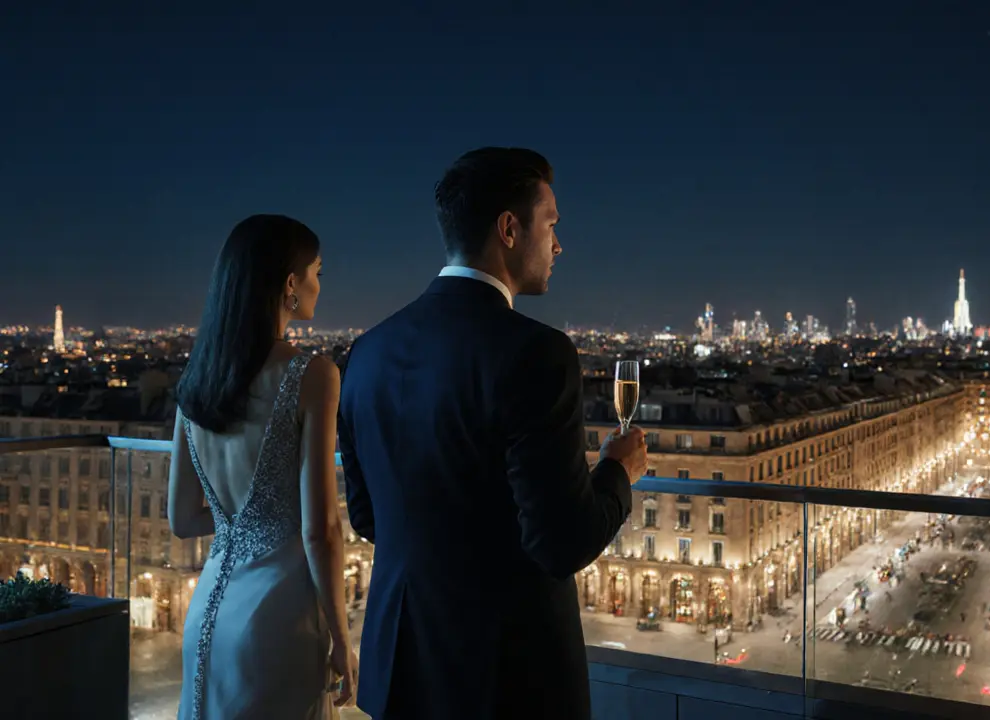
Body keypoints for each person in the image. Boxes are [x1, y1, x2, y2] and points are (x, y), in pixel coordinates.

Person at [338, 147, 648, 719]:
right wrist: (617, 472)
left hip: (403, 665)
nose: (559, 245)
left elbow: (367, 516)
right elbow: (562, 543)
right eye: (551, 224)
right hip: (507, 678)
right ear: (510, 228)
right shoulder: (538, 353)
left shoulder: (366, 351)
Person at [167, 214, 357, 719]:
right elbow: (321, 530)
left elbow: (182, 519)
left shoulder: (196, 381)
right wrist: (341, 636)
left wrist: (246, 520)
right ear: (290, 284)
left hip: (208, 613)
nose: (320, 283)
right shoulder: (312, 374)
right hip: (281, 617)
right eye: (317, 271)